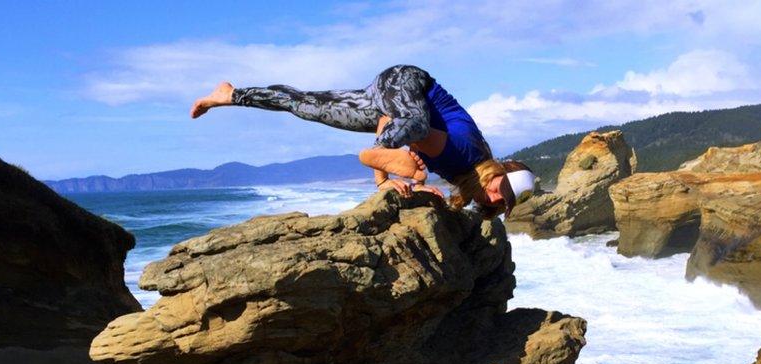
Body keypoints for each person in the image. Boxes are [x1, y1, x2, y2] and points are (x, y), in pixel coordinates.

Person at [190, 65, 536, 218]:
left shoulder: (465, 178)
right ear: (503, 170)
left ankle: (231, 94)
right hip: (404, 82)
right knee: (412, 131)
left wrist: (397, 184)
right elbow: (414, 130)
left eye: (498, 203)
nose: (494, 197)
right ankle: (385, 152)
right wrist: (396, 167)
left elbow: (400, 133)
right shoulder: (466, 154)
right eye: (502, 190)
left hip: (385, 108)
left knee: (304, 105)